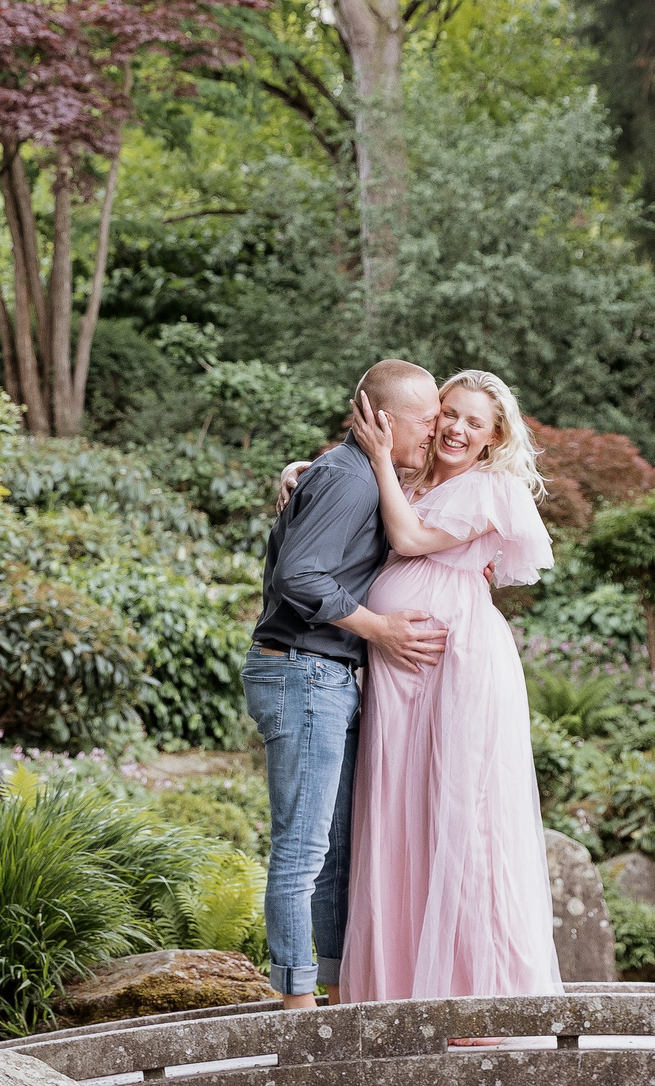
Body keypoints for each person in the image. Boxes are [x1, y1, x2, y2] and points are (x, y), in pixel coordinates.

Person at [332, 368, 563, 1004]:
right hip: (397, 670)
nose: (457, 429)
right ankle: (401, 991)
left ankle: (478, 996)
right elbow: (353, 496)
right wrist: (302, 471)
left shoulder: (489, 488)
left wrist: (380, 459)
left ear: (494, 438)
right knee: (400, 812)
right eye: (449, 413)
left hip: (458, 663)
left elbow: (408, 539)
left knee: (462, 813)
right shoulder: (408, 478)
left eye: (474, 422)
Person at [245, 359, 450, 1011]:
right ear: (384, 420)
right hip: (303, 670)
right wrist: (379, 628)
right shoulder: (348, 479)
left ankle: (334, 994)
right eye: (427, 420)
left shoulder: (355, 474)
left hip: (325, 675)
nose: (435, 431)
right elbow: (299, 577)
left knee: (334, 854)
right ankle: (297, 1006)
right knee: (304, 848)